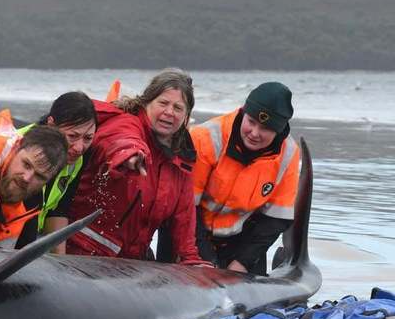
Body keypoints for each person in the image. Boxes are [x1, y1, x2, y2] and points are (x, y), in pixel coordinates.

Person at [66, 69, 208, 264]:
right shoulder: (125, 123)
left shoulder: (180, 162)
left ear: (186, 116)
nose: (169, 112)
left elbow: (184, 220)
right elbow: (119, 139)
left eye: (178, 107)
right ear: (146, 103)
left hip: (131, 263)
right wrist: (128, 154)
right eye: (163, 103)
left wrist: (191, 260)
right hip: (82, 252)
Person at [189, 82, 300, 274]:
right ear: (242, 112)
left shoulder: (289, 154)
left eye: (265, 128)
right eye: (251, 122)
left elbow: (276, 219)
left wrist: (242, 262)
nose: (254, 133)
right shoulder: (205, 137)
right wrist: (207, 262)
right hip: (190, 233)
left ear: (279, 131)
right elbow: (185, 207)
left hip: (242, 241)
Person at [14, 91, 97, 252]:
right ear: (51, 124)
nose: (80, 147)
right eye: (73, 136)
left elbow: (59, 209)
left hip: (30, 236)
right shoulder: (21, 149)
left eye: (88, 138)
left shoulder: (77, 159)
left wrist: (59, 263)